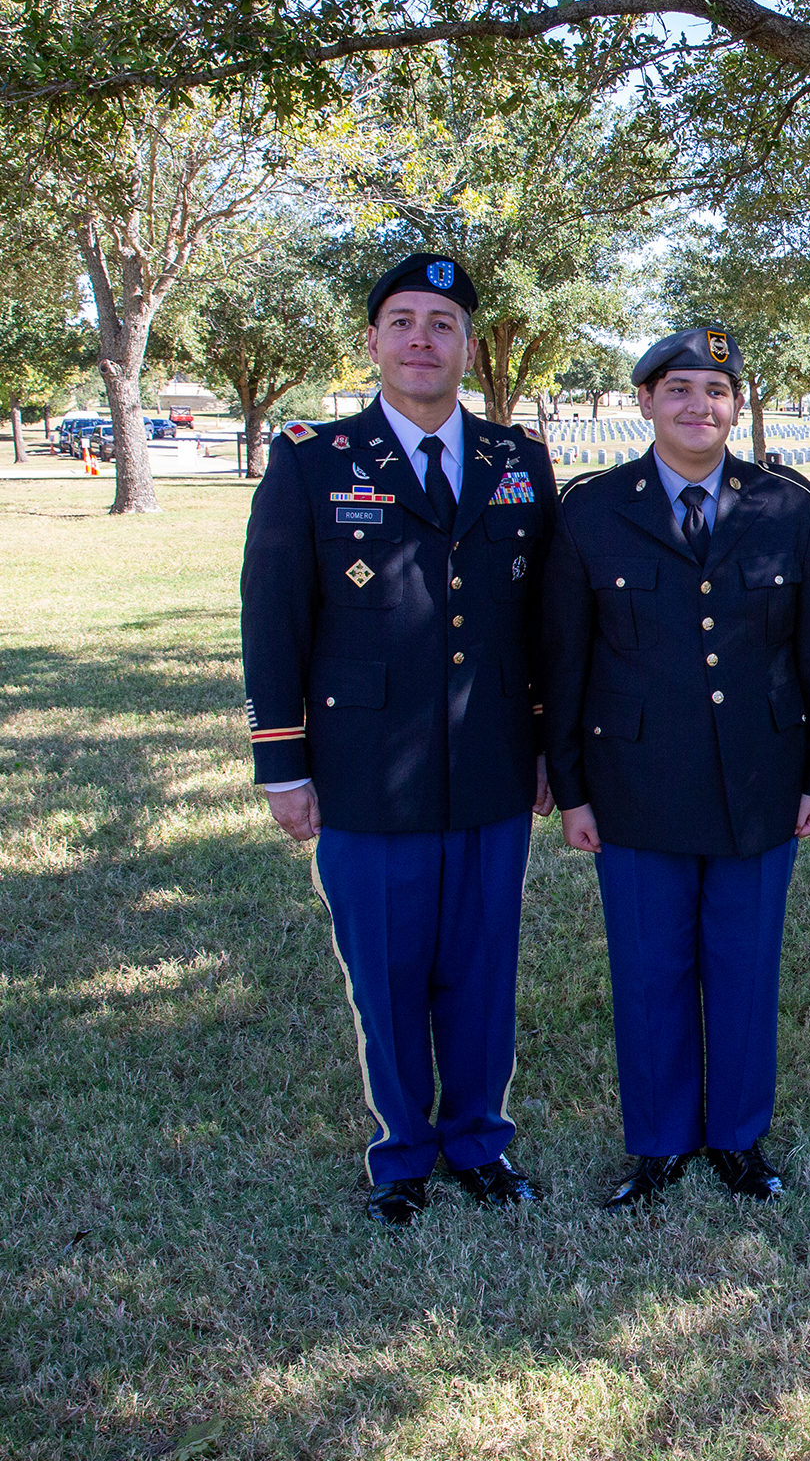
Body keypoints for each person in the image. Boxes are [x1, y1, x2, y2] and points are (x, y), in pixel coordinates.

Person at [240, 253, 558, 1226]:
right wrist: (282, 762)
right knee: (385, 974)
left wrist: (547, 744)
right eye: (404, 322)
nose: (423, 338)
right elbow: (273, 617)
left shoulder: (517, 460)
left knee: (479, 972)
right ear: (374, 342)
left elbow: (547, 615)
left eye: (443, 323)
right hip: (364, 771)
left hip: (495, 767)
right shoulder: (313, 458)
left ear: (468, 345)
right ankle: (402, 1154)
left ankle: (478, 1142)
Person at [540, 327, 810, 1211]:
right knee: (650, 969)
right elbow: (565, 660)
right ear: (644, 401)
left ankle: (740, 1139)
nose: (697, 405)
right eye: (677, 388)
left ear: (736, 406)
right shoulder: (593, 511)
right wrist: (572, 788)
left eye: (716, 390)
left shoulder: (785, 506)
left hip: (761, 776)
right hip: (635, 781)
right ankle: (661, 1144)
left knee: (745, 968)